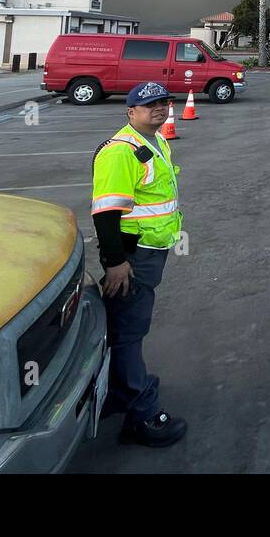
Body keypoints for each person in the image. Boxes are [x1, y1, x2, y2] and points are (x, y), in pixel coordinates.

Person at [91, 82, 188, 447]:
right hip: (133, 256)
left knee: (125, 325)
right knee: (129, 331)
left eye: (163, 103)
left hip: (150, 250)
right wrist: (115, 262)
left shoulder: (154, 141)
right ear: (131, 111)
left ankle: (118, 392)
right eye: (150, 105)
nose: (160, 110)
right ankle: (142, 415)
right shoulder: (120, 152)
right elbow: (106, 213)